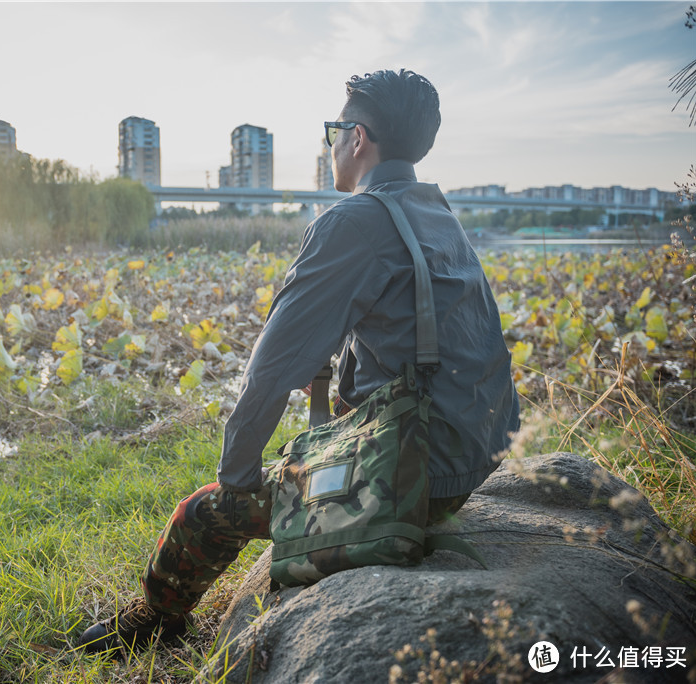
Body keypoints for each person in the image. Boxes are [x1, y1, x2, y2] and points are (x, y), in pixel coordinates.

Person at [78, 68, 520, 654]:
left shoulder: (354, 221)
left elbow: (271, 368)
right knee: (334, 409)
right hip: (475, 453)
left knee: (202, 515)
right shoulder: (435, 212)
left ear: (357, 138)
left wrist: (237, 482)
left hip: (420, 476)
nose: (331, 143)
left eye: (334, 130)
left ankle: (158, 621)